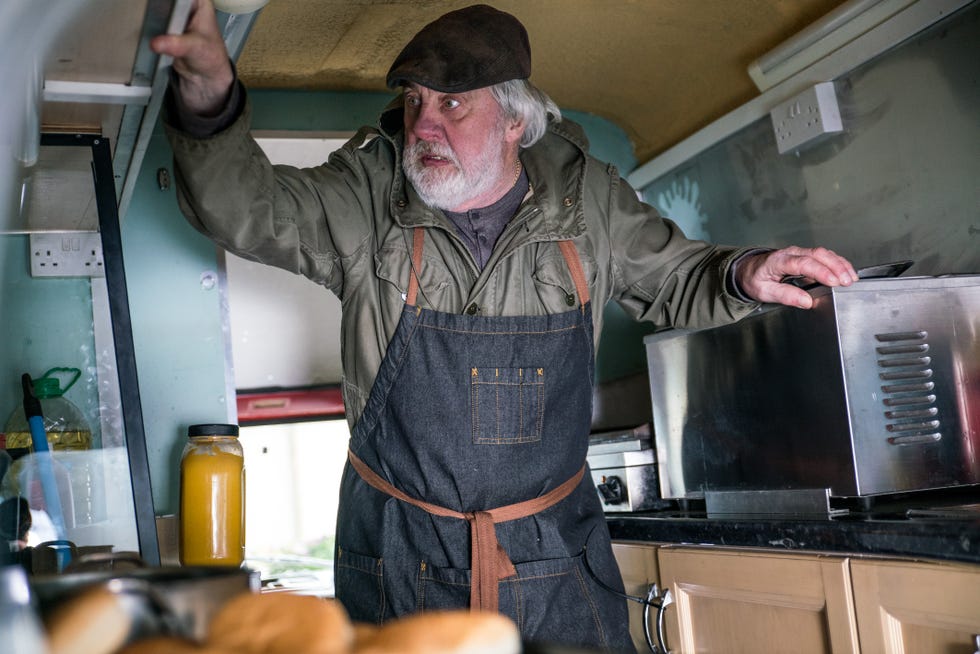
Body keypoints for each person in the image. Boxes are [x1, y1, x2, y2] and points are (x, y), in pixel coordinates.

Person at [152, 2, 857, 650]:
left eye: (451, 103)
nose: (422, 125)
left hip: (557, 557)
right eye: (415, 101)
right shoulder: (369, 196)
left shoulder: (590, 203)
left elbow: (677, 276)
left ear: (516, 120)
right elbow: (245, 208)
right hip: (401, 559)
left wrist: (745, 272)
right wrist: (211, 93)